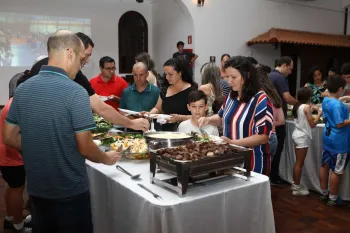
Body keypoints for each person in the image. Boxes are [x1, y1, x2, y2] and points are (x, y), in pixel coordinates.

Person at [2, 30, 121, 233]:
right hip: (69, 191)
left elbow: (8, 137)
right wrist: (106, 158)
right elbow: (85, 147)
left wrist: (35, 148)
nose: (81, 65)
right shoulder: (76, 92)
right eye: (81, 58)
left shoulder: (22, 89)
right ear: (70, 53)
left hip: (37, 190)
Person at [24, 33, 149, 132]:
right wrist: (132, 123)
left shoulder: (41, 68)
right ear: (74, 50)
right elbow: (100, 108)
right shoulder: (72, 75)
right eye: (87, 55)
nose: (88, 61)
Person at [198, 56, 273, 175]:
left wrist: (233, 143)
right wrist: (208, 120)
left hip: (253, 162)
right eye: (227, 77)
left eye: (233, 77)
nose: (229, 81)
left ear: (247, 75)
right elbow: (221, 118)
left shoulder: (261, 100)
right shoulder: (231, 97)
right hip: (231, 160)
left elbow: (263, 136)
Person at [1, 77, 32, 233]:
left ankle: (10, 218)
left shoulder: (12, 102)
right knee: (17, 189)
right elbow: (14, 136)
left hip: (6, 154)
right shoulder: (15, 106)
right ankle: (18, 225)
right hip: (11, 154)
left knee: (12, 186)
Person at [319, 75, 350, 206]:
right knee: (337, 170)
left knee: (325, 165)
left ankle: (324, 193)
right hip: (339, 141)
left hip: (328, 137)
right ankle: (333, 198)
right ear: (340, 89)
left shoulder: (326, 99)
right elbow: (339, 123)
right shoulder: (337, 105)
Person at [269, 56, 297, 185]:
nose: (290, 72)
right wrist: (301, 103)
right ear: (284, 65)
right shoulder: (279, 77)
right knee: (278, 148)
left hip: (270, 117)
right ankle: (274, 176)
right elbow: (287, 97)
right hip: (278, 118)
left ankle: (270, 174)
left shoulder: (269, 75)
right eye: (290, 69)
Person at [150, 57, 197, 131]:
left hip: (186, 132)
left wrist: (180, 118)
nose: (167, 77)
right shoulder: (165, 89)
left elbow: (198, 116)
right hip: (166, 132)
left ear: (180, 73)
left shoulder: (192, 91)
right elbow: (158, 108)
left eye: (170, 74)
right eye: (165, 74)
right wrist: (149, 114)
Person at [291, 87, 322, 196]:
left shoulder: (298, 105)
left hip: (296, 134)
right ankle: (296, 188)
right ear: (309, 97)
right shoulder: (306, 108)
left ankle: (295, 184)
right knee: (299, 164)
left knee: (297, 163)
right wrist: (319, 114)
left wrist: (312, 108)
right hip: (302, 137)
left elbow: (305, 111)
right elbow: (312, 125)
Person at [256, 65, 284, 159]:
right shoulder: (274, 94)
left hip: (260, 137)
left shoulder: (258, 96)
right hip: (273, 137)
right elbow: (281, 120)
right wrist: (270, 123)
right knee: (267, 170)